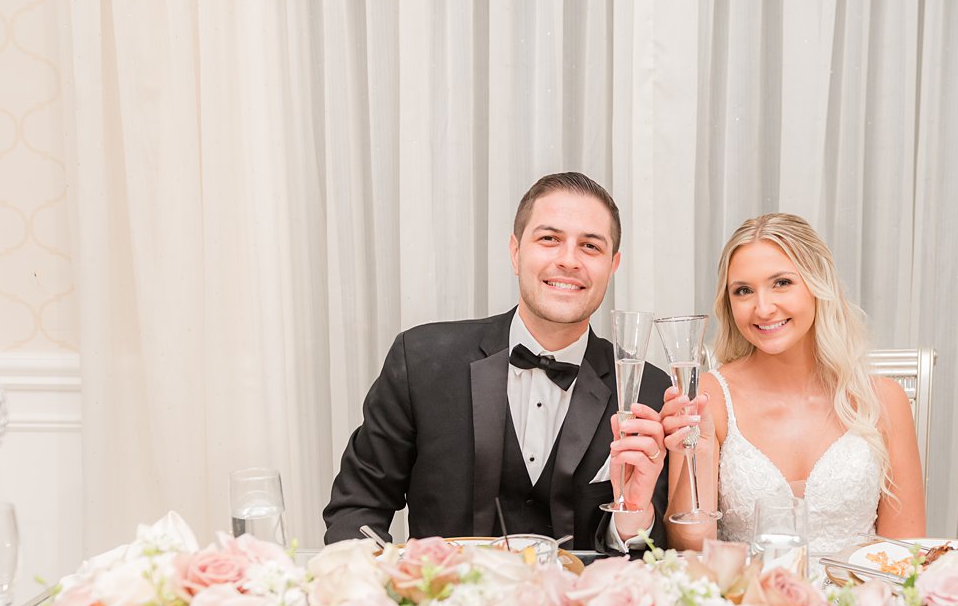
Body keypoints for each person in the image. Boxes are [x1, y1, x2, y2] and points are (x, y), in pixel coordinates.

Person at [323, 172, 671, 551]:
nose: (569, 260)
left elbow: (650, 555)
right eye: (549, 239)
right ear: (516, 252)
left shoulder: (646, 391)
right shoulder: (422, 359)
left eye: (590, 246)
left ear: (612, 265)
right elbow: (358, 507)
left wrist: (632, 515)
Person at [660, 213, 925, 555]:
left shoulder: (885, 401)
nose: (764, 307)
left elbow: (906, 553)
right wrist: (701, 448)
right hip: (745, 604)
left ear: (817, 284)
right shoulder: (708, 397)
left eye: (782, 283)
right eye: (743, 291)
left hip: (857, 603)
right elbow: (689, 549)